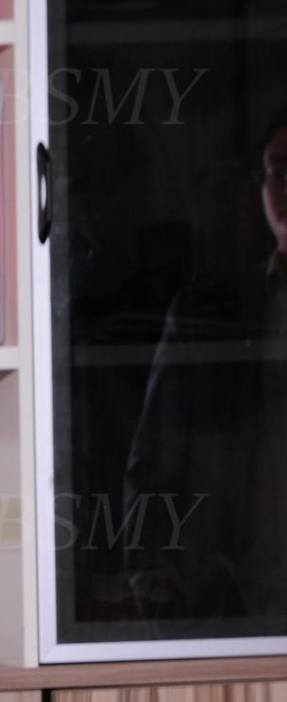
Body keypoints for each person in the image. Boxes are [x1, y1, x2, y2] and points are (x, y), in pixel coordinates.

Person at [124, 107, 287, 628]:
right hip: (229, 622)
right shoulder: (206, 317)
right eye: (278, 171)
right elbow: (153, 463)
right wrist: (158, 592)